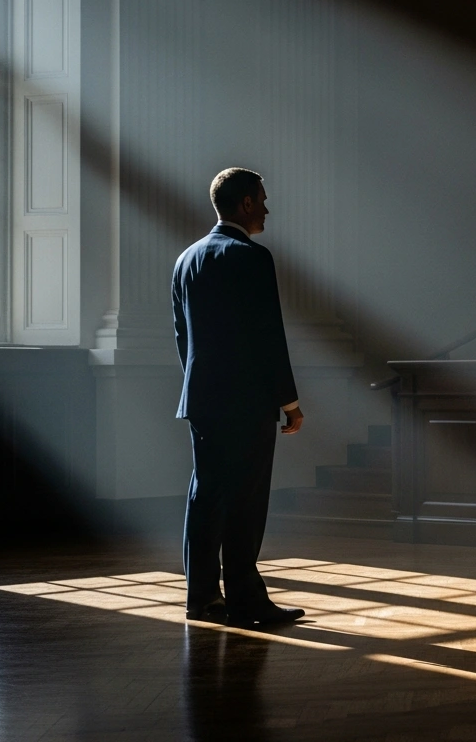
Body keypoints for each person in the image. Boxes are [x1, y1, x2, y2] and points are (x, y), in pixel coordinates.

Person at [172, 167, 306, 626]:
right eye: (262, 199)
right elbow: (269, 337)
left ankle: (202, 598)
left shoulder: (186, 259)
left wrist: (200, 385)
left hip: (203, 398)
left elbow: (182, 338)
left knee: (205, 497)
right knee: (246, 502)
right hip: (247, 401)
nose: (266, 207)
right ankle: (247, 601)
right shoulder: (253, 257)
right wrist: (289, 401)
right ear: (246, 203)